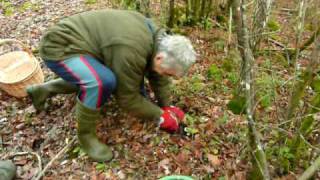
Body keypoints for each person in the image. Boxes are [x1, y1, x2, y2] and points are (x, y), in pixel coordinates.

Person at [26, 9, 196, 162]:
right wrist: (160, 115)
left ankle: (43, 90)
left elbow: (157, 75)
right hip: (60, 47)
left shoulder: (159, 41)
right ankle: (86, 136)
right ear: (159, 58)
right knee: (102, 82)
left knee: (102, 74)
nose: (166, 77)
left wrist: (167, 105)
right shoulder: (131, 48)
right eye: (168, 73)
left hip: (87, 47)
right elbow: (127, 98)